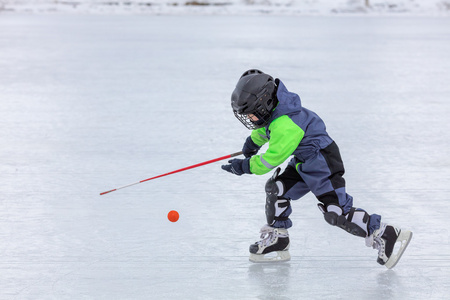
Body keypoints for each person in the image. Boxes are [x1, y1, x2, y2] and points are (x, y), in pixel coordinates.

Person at [221, 69, 412, 268]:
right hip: (304, 162)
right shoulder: (276, 112)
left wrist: (243, 166)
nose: (250, 118)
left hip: (323, 163)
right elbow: (266, 129)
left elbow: (270, 159)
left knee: (335, 212)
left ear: (265, 102)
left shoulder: (286, 124)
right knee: (277, 189)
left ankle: (384, 233)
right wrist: (252, 143)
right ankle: (278, 239)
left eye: (251, 113)